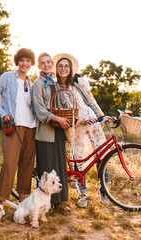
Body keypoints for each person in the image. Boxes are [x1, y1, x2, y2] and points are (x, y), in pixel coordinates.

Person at [52, 53, 109, 207]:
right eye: (60, 66)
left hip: (92, 123)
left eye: (66, 66)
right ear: (56, 69)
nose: (63, 69)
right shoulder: (55, 87)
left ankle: (105, 191)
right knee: (78, 159)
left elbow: (91, 100)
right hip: (76, 127)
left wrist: (101, 116)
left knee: (101, 156)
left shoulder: (78, 82)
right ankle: (83, 194)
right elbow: (59, 110)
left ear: (71, 69)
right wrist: (78, 120)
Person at [0, 48, 37, 221]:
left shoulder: (32, 84)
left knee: (26, 166)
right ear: (17, 61)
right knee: (9, 163)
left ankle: (23, 205)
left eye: (28, 61)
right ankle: (0, 204)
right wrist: (3, 114)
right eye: (22, 60)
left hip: (31, 127)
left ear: (32, 64)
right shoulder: (7, 77)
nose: (25, 63)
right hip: (14, 126)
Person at [32, 52, 71, 213]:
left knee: (60, 167)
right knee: (47, 169)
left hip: (59, 131)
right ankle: (44, 204)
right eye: (43, 63)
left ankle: (59, 202)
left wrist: (69, 112)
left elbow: (64, 102)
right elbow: (40, 110)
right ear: (39, 66)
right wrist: (57, 117)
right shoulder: (37, 84)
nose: (47, 65)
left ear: (51, 63)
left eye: (49, 62)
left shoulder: (55, 83)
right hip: (45, 132)